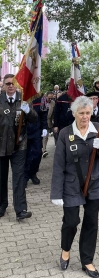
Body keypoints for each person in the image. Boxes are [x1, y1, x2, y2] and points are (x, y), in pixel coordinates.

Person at [50, 95, 99, 278]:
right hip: (71, 185)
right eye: (81, 113)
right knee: (71, 221)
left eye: (88, 113)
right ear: (74, 113)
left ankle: (87, 261)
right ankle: (65, 249)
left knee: (91, 222)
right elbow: (59, 165)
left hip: (94, 184)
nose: (85, 117)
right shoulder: (65, 134)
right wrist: (56, 193)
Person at [0, 74, 38, 220]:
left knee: (19, 177)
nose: (10, 86)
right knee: (1, 178)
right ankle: (2, 205)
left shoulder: (23, 100)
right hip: (1, 146)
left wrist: (27, 111)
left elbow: (34, 119)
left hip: (19, 145)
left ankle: (21, 209)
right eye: (8, 83)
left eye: (13, 83)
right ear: (3, 85)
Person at [24, 95, 48, 185]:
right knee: (25, 155)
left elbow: (44, 114)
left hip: (36, 130)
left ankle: (33, 173)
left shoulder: (41, 98)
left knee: (37, 153)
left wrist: (44, 127)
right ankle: (25, 176)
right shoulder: (22, 96)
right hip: (24, 131)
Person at [43, 91, 56, 157]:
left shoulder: (53, 103)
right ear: (46, 96)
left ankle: (44, 149)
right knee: (42, 136)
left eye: (51, 98)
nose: (50, 99)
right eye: (49, 98)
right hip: (42, 122)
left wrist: (53, 119)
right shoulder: (42, 102)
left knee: (45, 136)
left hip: (48, 122)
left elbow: (54, 112)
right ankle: (42, 149)